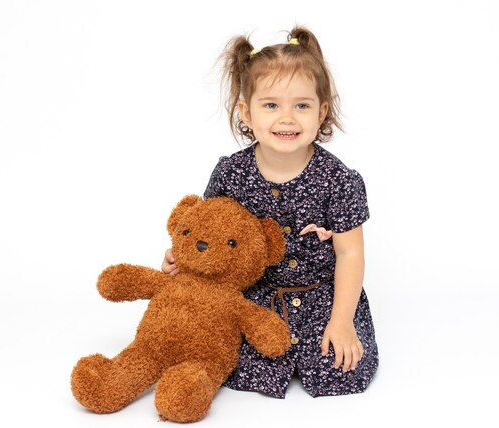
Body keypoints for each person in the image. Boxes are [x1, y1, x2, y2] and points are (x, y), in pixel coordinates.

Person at [162, 26, 378, 398]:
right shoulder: (231, 173)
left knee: (341, 371)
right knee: (231, 362)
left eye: (302, 105)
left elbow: (350, 252)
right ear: (247, 112)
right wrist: (182, 260)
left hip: (320, 298)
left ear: (321, 111)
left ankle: (335, 328)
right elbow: (205, 232)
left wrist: (342, 321)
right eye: (272, 105)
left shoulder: (339, 180)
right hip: (255, 297)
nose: (287, 118)